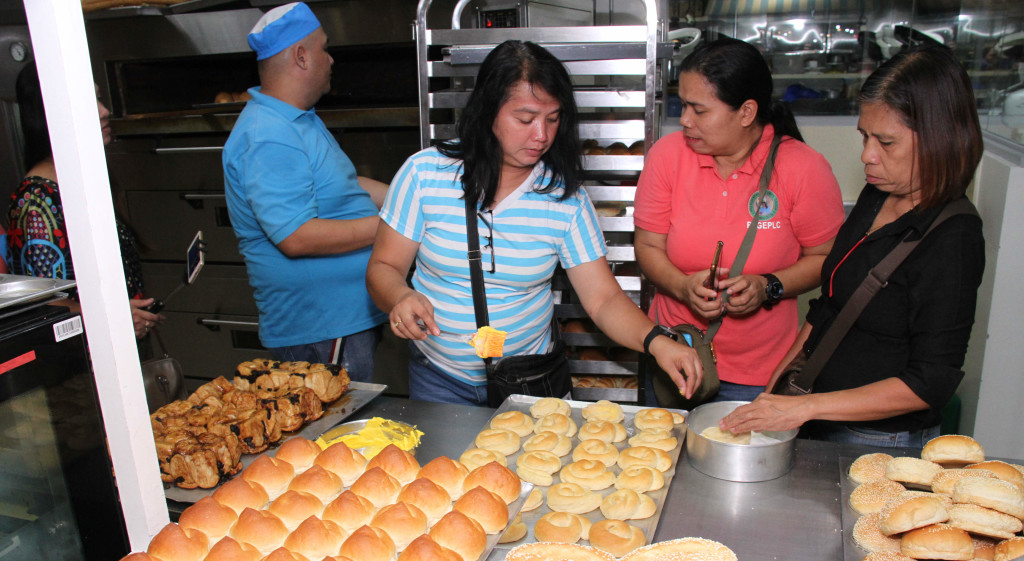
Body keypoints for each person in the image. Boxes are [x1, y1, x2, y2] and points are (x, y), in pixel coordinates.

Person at [366, 40, 702, 406]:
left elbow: (603, 299)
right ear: (488, 111)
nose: (541, 135)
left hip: (527, 382)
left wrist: (657, 342)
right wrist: (399, 297)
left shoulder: (564, 197)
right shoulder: (425, 174)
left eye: (553, 119)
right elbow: (384, 266)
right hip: (439, 379)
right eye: (525, 119)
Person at [720, 44, 985, 448]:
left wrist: (805, 408)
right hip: (818, 416)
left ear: (940, 138)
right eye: (864, 136)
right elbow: (830, 304)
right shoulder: (878, 194)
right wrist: (777, 390)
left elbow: (930, 381)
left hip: (880, 439)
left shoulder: (955, 237)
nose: (867, 156)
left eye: (886, 142)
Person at [633, 38, 845, 404]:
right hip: (677, 356)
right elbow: (649, 245)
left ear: (746, 112)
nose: (684, 120)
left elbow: (828, 258)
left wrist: (768, 286)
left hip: (758, 375)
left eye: (699, 110)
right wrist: (683, 287)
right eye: (683, 105)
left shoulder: (803, 168)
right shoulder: (667, 157)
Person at [223, 2, 388, 381]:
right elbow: (296, 237)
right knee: (329, 437)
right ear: (301, 56)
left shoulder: (297, 119)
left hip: (343, 318)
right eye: (324, 48)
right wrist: (393, 227)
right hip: (320, 327)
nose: (330, 60)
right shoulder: (269, 134)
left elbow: (346, 186)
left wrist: (411, 197)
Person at [6, 61, 161, 339]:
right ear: (52, 114)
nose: (105, 111)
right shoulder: (36, 200)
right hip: (83, 370)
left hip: (120, 350)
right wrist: (114, 316)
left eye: (99, 98)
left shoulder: (85, 180)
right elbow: (45, 303)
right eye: (89, 101)